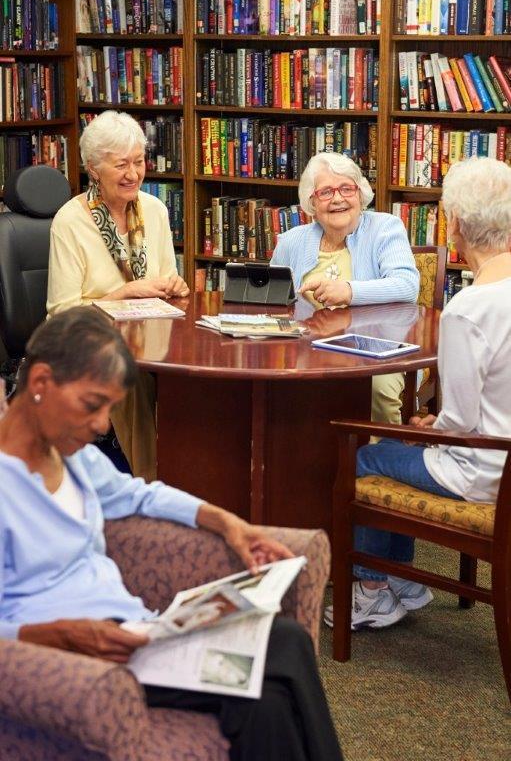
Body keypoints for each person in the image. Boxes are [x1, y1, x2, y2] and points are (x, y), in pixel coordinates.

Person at [0, 307, 343, 761]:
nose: (103, 425)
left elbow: (141, 497)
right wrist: (60, 635)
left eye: (110, 409)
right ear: (41, 383)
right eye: (92, 405)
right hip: (77, 663)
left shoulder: (73, 456)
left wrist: (231, 524)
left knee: (274, 678)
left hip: (137, 633)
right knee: (280, 655)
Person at [325, 156, 511, 631]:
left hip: (484, 471)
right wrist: (436, 429)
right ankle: (400, 581)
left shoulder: (468, 310)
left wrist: (432, 429)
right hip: (500, 456)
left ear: (457, 226)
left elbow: (460, 422)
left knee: (367, 456)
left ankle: (371, 589)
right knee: (400, 444)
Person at [47, 110, 189, 482]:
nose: (133, 174)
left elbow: (167, 285)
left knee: (197, 381)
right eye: (120, 165)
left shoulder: (155, 210)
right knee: (131, 377)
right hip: (90, 345)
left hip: (153, 340)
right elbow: (60, 317)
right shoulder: (69, 221)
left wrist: (175, 287)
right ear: (93, 169)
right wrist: (121, 294)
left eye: (139, 162)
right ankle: (150, 484)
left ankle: (195, 479)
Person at [271, 152, 420, 426]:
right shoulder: (291, 241)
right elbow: (273, 300)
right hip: (308, 348)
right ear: (312, 202)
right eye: (326, 192)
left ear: (360, 193)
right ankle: (303, 459)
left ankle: (382, 456)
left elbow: (407, 285)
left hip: (376, 349)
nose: (338, 198)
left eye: (346, 189)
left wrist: (348, 291)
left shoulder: (385, 228)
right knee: (274, 383)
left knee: (376, 387)